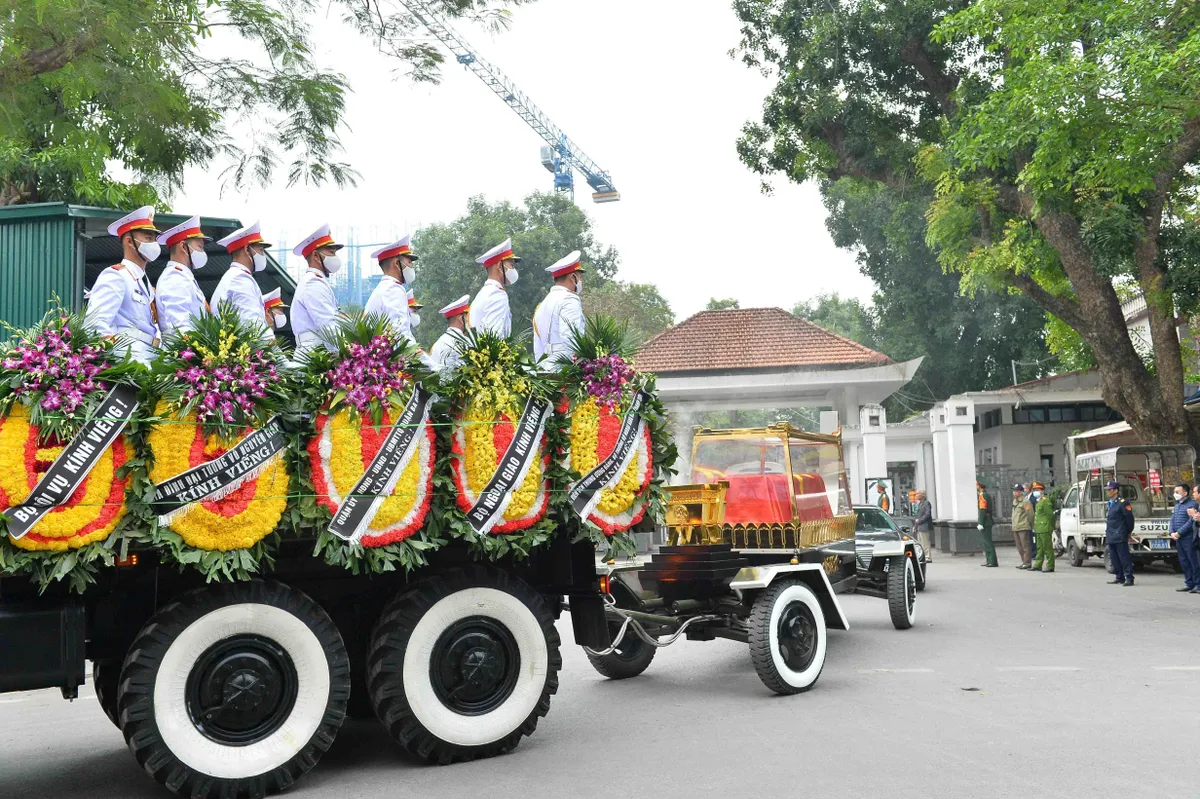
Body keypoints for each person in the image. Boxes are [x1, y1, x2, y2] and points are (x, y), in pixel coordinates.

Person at [84, 206, 161, 365]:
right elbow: (94, 326)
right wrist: (117, 361)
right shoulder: (115, 275)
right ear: (129, 241)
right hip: (127, 360)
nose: (153, 243)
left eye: (154, 238)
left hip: (147, 358)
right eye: (148, 238)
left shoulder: (145, 283)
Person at [213, 221, 278, 338]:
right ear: (247, 249)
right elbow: (253, 324)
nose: (263, 255)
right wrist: (276, 352)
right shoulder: (240, 279)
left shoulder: (234, 276)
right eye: (261, 250)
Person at [291, 223, 344, 355]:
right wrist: (345, 355)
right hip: (314, 354)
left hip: (318, 351)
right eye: (331, 252)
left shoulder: (316, 280)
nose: (335, 257)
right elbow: (328, 325)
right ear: (315, 256)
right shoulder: (313, 282)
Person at [154, 215, 210, 337]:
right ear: (184, 247)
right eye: (199, 247)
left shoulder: (183, 276)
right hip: (185, 353)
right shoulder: (174, 277)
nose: (203, 252)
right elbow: (180, 327)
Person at [365, 234, 420, 351]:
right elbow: (400, 336)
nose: (412, 266)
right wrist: (432, 366)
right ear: (396, 263)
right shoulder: (393, 289)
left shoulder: (385, 288)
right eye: (409, 262)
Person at [533, 250, 586, 366]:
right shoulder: (569, 300)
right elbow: (571, 339)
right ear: (573, 277)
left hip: (544, 367)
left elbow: (537, 344)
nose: (581, 281)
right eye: (580, 277)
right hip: (564, 369)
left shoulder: (543, 304)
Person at [470, 237, 520, 338]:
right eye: (511, 265)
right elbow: (494, 338)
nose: (513, 270)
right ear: (499, 266)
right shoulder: (497, 294)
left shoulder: (483, 293)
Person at [1168, 483, 1200, 593]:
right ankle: (1189, 583)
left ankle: (1197, 584)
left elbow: (1191, 521)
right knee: (1184, 561)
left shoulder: (1192, 504)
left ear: (1185, 493)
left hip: (1188, 537)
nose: (1175, 494)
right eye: (1174, 492)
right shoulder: (1177, 505)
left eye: (1177, 492)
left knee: (1193, 561)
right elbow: (1172, 519)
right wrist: (1171, 532)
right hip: (1179, 539)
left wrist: (1179, 532)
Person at [1104, 480, 1136, 586]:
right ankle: (1119, 576)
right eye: (1107, 490)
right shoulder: (1110, 503)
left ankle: (1129, 577)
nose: (1108, 492)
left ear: (1116, 491)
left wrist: (1128, 532)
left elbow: (1129, 519)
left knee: (1124, 557)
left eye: (1110, 490)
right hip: (1111, 534)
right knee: (1114, 557)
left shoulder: (1122, 502)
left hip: (1120, 533)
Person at [430, 295, 471, 374]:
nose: (468, 320)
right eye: (466, 316)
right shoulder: (464, 342)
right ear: (460, 318)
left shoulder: (437, 344)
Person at [1030, 483, 1055, 573]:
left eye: (1038, 490)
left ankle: (1050, 565)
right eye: (1034, 490)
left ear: (1042, 491)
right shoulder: (1038, 501)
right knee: (1039, 548)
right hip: (1039, 528)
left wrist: (1051, 526)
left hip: (1045, 527)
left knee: (1047, 548)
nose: (1036, 491)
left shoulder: (1045, 501)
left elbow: (1050, 515)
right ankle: (1038, 564)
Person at [1011, 483, 1034, 570]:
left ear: (1021, 492)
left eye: (1016, 491)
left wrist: (1031, 524)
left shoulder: (1025, 501)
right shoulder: (1015, 501)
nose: (1015, 493)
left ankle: (1027, 562)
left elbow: (1030, 514)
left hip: (1023, 526)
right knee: (1019, 546)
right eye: (1014, 491)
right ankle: (1023, 561)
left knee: (1025, 546)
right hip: (1016, 526)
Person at [977, 480, 997, 567]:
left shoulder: (983, 495)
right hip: (987, 520)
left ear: (979, 486)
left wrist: (980, 522)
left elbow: (982, 510)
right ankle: (989, 560)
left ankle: (992, 561)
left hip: (986, 521)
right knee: (986, 542)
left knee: (988, 542)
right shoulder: (985, 495)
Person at [912, 489, 934, 563]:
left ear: (923, 495)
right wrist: (915, 526)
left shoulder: (926, 503)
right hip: (919, 526)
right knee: (920, 543)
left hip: (924, 526)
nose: (916, 495)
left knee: (925, 542)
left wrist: (920, 520)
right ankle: (923, 556)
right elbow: (918, 516)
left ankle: (928, 557)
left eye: (918, 494)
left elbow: (927, 514)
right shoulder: (920, 503)